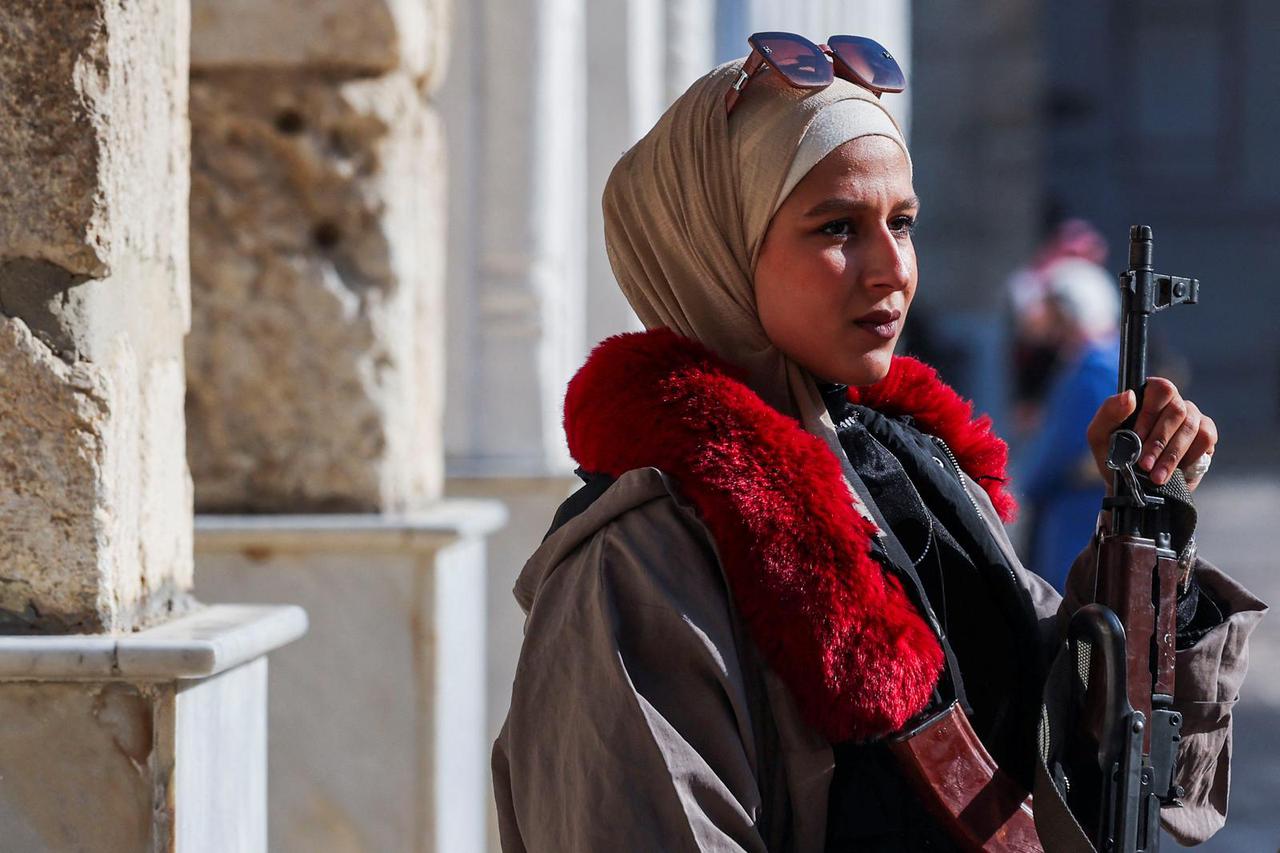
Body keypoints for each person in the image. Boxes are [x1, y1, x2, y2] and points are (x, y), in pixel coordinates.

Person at [493, 35, 1265, 852]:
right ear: (715, 247)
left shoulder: (913, 473)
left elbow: (1054, 728)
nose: (891, 267)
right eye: (837, 228)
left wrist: (1147, 553)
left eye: (903, 222)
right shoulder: (638, 562)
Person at [1016, 257, 1123, 592]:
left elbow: (1058, 450)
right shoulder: (1112, 358)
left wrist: (1024, 484)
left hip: (1075, 515)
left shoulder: (1090, 369)